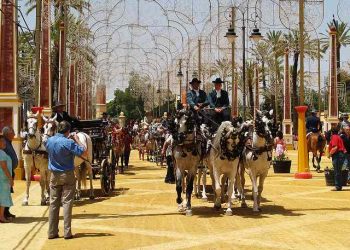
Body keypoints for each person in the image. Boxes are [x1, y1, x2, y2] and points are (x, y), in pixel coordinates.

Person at [45, 121, 87, 239]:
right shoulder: (69, 142)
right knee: (67, 203)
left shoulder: (50, 140)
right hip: (67, 174)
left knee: (53, 204)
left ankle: (52, 232)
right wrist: (76, 139)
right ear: (68, 131)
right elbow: (83, 151)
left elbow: (48, 149)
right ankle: (67, 232)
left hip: (54, 175)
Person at [2, 127, 18, 219]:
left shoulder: (8, 142)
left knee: (8, 192)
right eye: (13, 132)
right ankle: (3, 213)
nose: (15, 134)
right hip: (5, 173)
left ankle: (6, 212)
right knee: (5, 192)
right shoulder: (3, 143)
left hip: (10, 171)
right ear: (8, 133)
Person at [0, 135, 13, 223]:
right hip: (3, 179)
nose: (5, 143)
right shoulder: (1, 153)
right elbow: (4, 167)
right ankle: (1, 217)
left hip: (2, 179)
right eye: (2, 142)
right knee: (3, 198)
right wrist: (10, 179)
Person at [328, 126, 346, 191]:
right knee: (338, 171)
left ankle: (337, 186)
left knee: (337, 172)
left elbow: (335, 147)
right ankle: (339, 186)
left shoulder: (334, 137)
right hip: (341, 155)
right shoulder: (339, 137)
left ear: (332, 132)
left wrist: (329, 154)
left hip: (337, 155)